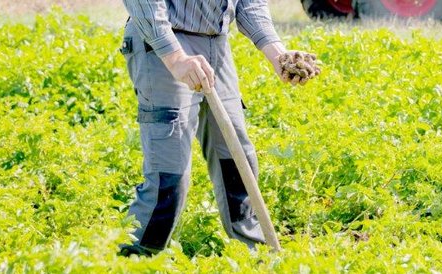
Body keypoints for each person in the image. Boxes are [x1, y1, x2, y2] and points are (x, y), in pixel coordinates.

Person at [117, 0, 310, 256]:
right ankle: (135, 257)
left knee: (236, 159)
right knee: (170, 173)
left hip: (215, 44)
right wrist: (176, 59)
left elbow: (250, 3)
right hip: (162, 41)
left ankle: (253, 252)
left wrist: (278, 54)